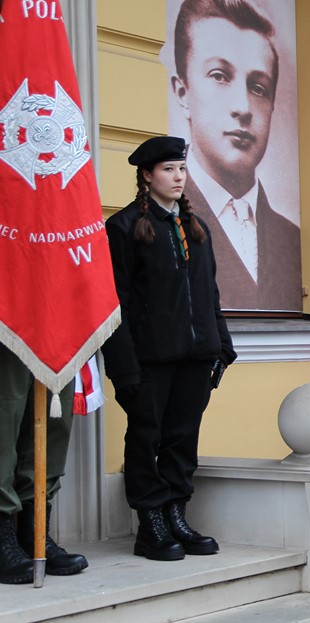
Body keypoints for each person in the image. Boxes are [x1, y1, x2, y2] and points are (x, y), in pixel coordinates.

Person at [102, 136, 237, 561]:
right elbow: (115, 303)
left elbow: (208, 292)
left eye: (181, 169)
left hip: (197, 357)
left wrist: (221, 345)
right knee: (146, 437)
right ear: (146, 175)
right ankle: (151, 524)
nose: (178, 177)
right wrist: (123, 368)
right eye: (168, 170)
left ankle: (177, 514)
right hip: (148, 360)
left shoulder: (196, 228)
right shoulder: (123, 228)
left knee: (182, 437)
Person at [171, 0, 301, 311]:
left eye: (258, 88)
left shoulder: (291, 238)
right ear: (183, 94)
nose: (242, 107)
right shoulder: (160, 223)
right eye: (219, 75)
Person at [0, 347, 87, 584]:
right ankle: (2, 534)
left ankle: (34, 532)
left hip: (52, 318)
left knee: (55, 411)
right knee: (5, 411)